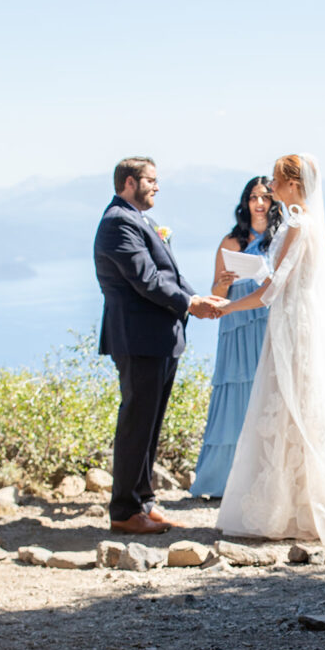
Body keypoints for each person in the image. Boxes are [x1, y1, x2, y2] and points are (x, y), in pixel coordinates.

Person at [216, 154, 325, 546]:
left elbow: (271, 291)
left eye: (275, 180)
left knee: (291, 406)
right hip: (295, 324)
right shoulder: (302, 224)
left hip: (292, 329)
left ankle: (295, 507)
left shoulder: (298, 224)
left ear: (293, 184)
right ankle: (297, 503)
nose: (270, 187)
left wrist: (226, 306)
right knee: (294, 409)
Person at [94, 157, 224, 535]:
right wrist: (190, 304)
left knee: (150, 425)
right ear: (130, 182)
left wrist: (196, 296)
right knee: (137, 424)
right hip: (138, 338)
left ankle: (143, 504)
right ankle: (124, 510)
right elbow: (145, 279)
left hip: (158, 338)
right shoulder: (118, 221)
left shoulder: (138, 219)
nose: (157, 187)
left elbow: (170, 275)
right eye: (151, 180)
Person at [191, 177, 282, 497]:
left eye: (265, 198)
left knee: (268, 390)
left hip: (268, 322)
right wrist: (223, 282)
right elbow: (216, 294)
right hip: (235, 324)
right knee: (234, 393)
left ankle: (265, 478)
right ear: (245, 202)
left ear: (274, 203)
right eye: (253, 197)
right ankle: (220, 480)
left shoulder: (280, 238)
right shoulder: (230, 242)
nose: (259, 203)